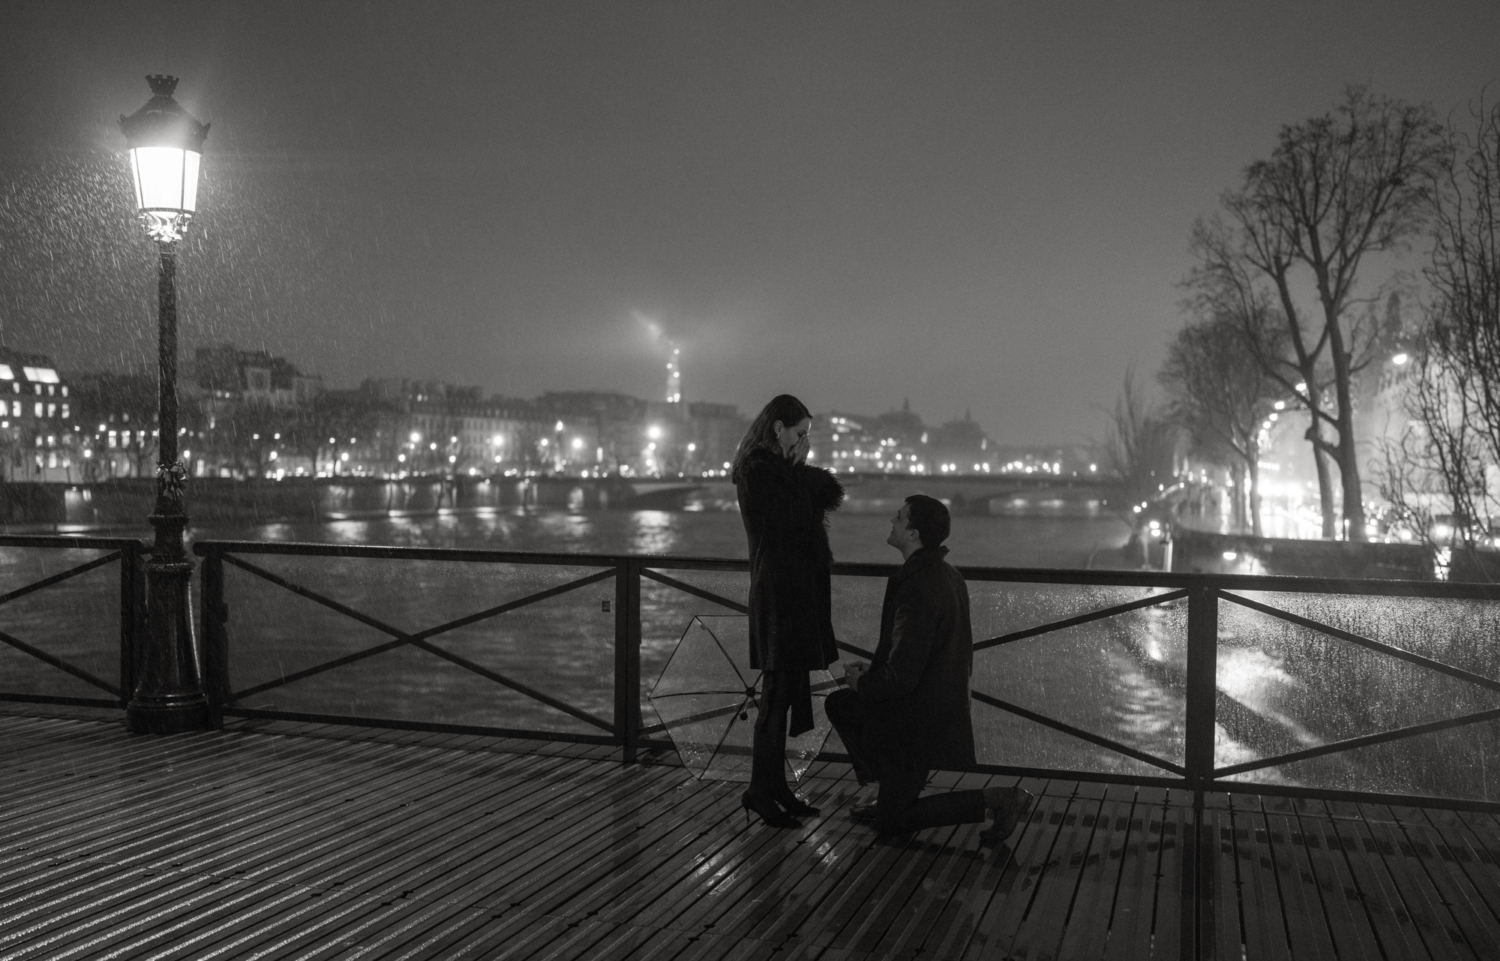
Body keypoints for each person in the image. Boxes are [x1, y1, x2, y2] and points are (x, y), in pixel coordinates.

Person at [826, 494, 1033, 840]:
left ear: (913, 534)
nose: (891, 521)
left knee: (892, 822)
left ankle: (999, 798)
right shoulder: (946, 575)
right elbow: (918, 653)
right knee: (842, 705)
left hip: (915, 721)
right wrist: (874, 669)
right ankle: (892, 788)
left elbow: (904, 675)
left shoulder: (918, 586)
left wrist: (862, 683)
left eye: (899, 518)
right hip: (939, 706)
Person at [732, 394, 845, 828]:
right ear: (778, 428)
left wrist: (801, 473)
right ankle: (760, 790)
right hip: (779, 593)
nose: (804, 442)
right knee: (775, 696)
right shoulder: (760, 472)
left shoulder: (774, 472)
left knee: (781, 692)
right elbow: (790, 521)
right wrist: (808, 476)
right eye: (800, 433)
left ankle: (774, 786)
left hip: (789, 591)